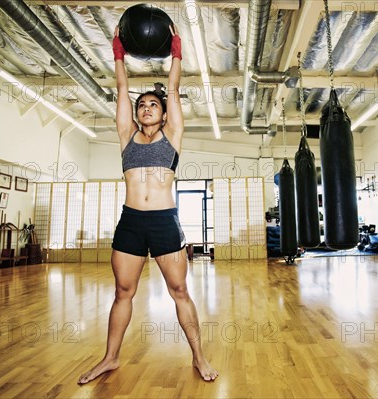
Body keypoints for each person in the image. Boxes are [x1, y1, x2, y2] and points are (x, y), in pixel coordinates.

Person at [78, 25, 218, 384]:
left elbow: (172, 88)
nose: (146, 107)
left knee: (180, 291)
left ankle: (199, 357)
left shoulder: (173, 136)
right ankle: (109, 358)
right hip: (130, 223)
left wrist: (177, 51)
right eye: (142, 105)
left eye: (153, 104)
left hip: (164, 222)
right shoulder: (127, 137)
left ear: (165, 113)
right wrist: (118, 53)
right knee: (123, 291)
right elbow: (123, 88)